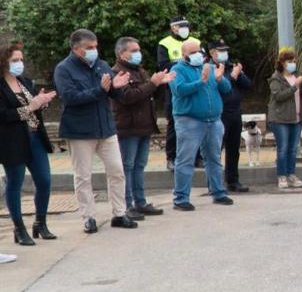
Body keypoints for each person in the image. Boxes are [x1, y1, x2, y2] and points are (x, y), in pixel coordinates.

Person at [53, 29, 137, 233]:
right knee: (83, 176)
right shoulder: (64, 69)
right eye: (89, 48)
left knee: (117, 171)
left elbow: (113, 94)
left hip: (106, 128)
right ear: (76, 49)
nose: (94, 50)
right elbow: (71, 97)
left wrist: (117, 87)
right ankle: (88, 217)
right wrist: (101, 90)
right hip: (80, 131)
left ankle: (119, 213)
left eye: (96, 46)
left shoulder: (101, 64)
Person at [111, 37, 173, 220]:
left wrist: (160, 83)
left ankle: (141, 202)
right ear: (122, 53)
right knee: (127, 167)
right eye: (134, 50)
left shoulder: (140, 70)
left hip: (144, 126)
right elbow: (128, 97)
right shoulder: (117, 72)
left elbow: (149, 94)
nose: (138, 53)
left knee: (139, 166)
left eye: (138, 50)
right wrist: (153, 83)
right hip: (127, 127)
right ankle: (128, 205)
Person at [2, 43, 57, 246]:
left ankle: (40, 222)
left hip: (35, 137)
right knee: (14, 183)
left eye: (21, 60)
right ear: (4, 62)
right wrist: (29, 108)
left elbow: (34, 107)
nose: (19, 64)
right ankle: (19, 228)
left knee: (44, 181)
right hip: (13, 141)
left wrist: (42, 102)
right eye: (15, 60)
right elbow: (4, 115)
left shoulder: (24, 81)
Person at [169, 39, 234, 209]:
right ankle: (181, 198)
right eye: (192, 52)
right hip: (189, 121)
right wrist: (201, 82)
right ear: (184, 55)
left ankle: (218, 192)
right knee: (185, 160)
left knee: (214, 158)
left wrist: (220, 79)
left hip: (213, 121)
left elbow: (227, 89)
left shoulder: (210, 68)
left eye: (199, 51)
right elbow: (179, 90)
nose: (198, 55)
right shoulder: (177, 69)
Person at [206, 40, 252, 193]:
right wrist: (232, 77)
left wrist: (238, 74)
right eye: (220, 50)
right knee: (215, 150)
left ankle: (233, 180)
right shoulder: (208, 68)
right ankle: (214, 184)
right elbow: (221, 90)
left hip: (235, 113)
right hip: (219, 114)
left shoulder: (232, 66)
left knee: (233, 149)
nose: (224, 53)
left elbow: (247, 85)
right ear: (212, 53)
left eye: (225, 50)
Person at [157, 15, 199, 168]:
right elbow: (163, 65)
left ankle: (197, 158)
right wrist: (183, 62)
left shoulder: (195, 42)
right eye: (180, 25)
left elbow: (202, 61)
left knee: (197, 124)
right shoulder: (164, 44)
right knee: (174, 125)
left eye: (186, 25)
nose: (184, 28)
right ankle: (171, 158)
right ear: (173, 27)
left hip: (195, 87)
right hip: (174, 90)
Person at [268, 49, 302, 190]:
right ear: (282, 63)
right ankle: (281, 176)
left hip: (296, 118)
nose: (293, 64)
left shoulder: (296, 77)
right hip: (280, 119)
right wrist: (295, 87)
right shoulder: (276, 78)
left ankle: (291, 174)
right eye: (290, 62)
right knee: (283, 148)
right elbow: (278, 97)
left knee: (292, 149)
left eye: (294, 61)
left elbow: (301, 96)